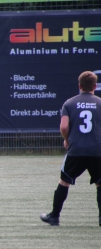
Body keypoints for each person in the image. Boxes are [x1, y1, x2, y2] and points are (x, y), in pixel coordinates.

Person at [40, 71, 101, 226]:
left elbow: (64, 126)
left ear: (79, 86)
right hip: (97, 150)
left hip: (76, 149)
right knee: (100, 183)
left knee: (64, 181)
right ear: (95, 86)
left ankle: (54, 217)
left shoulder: (69, 103)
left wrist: (67, 140)